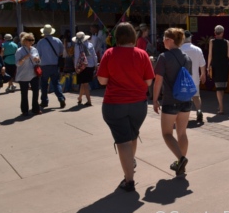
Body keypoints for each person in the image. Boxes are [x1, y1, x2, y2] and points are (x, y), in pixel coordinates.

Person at [97, 22, 154, 192]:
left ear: (117, 37)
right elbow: (149, 81)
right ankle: (131, 161)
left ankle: (129, 180)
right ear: (133, 37)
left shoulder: (109, 53)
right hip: (138, 104)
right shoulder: (142, 54)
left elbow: (102, 80)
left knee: (123, 141)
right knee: (132, 135)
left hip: (115, 104)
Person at [153, 28, 193, 177]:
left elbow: (158, 80)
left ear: (170, 40)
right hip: (185, 100)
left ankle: (181, 159)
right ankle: (180, 165)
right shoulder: (187, 58)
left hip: (170, 100)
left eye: (164, 38)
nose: (162, 41)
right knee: (182, 133)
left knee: (167, 134)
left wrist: (155, 99)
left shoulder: (164, 57)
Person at [37, 24, 66, 109]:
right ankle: (61, 98)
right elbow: (61, 52)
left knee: (44, 84)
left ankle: (44, 101)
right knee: (56, 83)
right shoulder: (58, 40)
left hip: (44, 65)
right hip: (54, 65)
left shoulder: (41, 42)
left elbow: (39, 55)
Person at [181, 30, 207, 123]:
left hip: (182, 79)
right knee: (196, 96)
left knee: (183, 98)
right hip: (195, 77)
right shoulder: (197, 49)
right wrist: (203, 74)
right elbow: (202, 64)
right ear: (190, 38)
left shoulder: (179, 50)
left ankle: (184, 116)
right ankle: (199, 111)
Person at [14, 33, 42, 116]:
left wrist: (37, 60)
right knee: (24, 93)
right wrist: (24, 58)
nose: (31, 42)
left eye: (32, 40)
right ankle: (25, 110)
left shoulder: (34, 49)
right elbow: (17, 64)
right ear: (24, 41)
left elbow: (38, 61)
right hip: (23, 74)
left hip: (33, 73)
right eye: (29, 40)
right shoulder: (20, 50)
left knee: (36, 91)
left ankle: (35, 108)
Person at [207, 25, 229, 114]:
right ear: (222, 33)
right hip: (224, 66)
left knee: (218, 87)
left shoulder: (212, 41)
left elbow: (210, 55)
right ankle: (220, 105)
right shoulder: (227, 42)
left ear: (215, 32)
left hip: (216, 65)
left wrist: (208, 66)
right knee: (222, 87)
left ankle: (221, 108)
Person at [73, 32, 98, 106]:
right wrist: (96, 65)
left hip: (82, 66)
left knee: (85, 84)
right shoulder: (90, 44)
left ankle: (89, 101)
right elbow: (94, 56)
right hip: (91, 66)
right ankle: (80, 98)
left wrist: (75, 67)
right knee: (84, 83)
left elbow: (77, 57)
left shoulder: (77, 46)